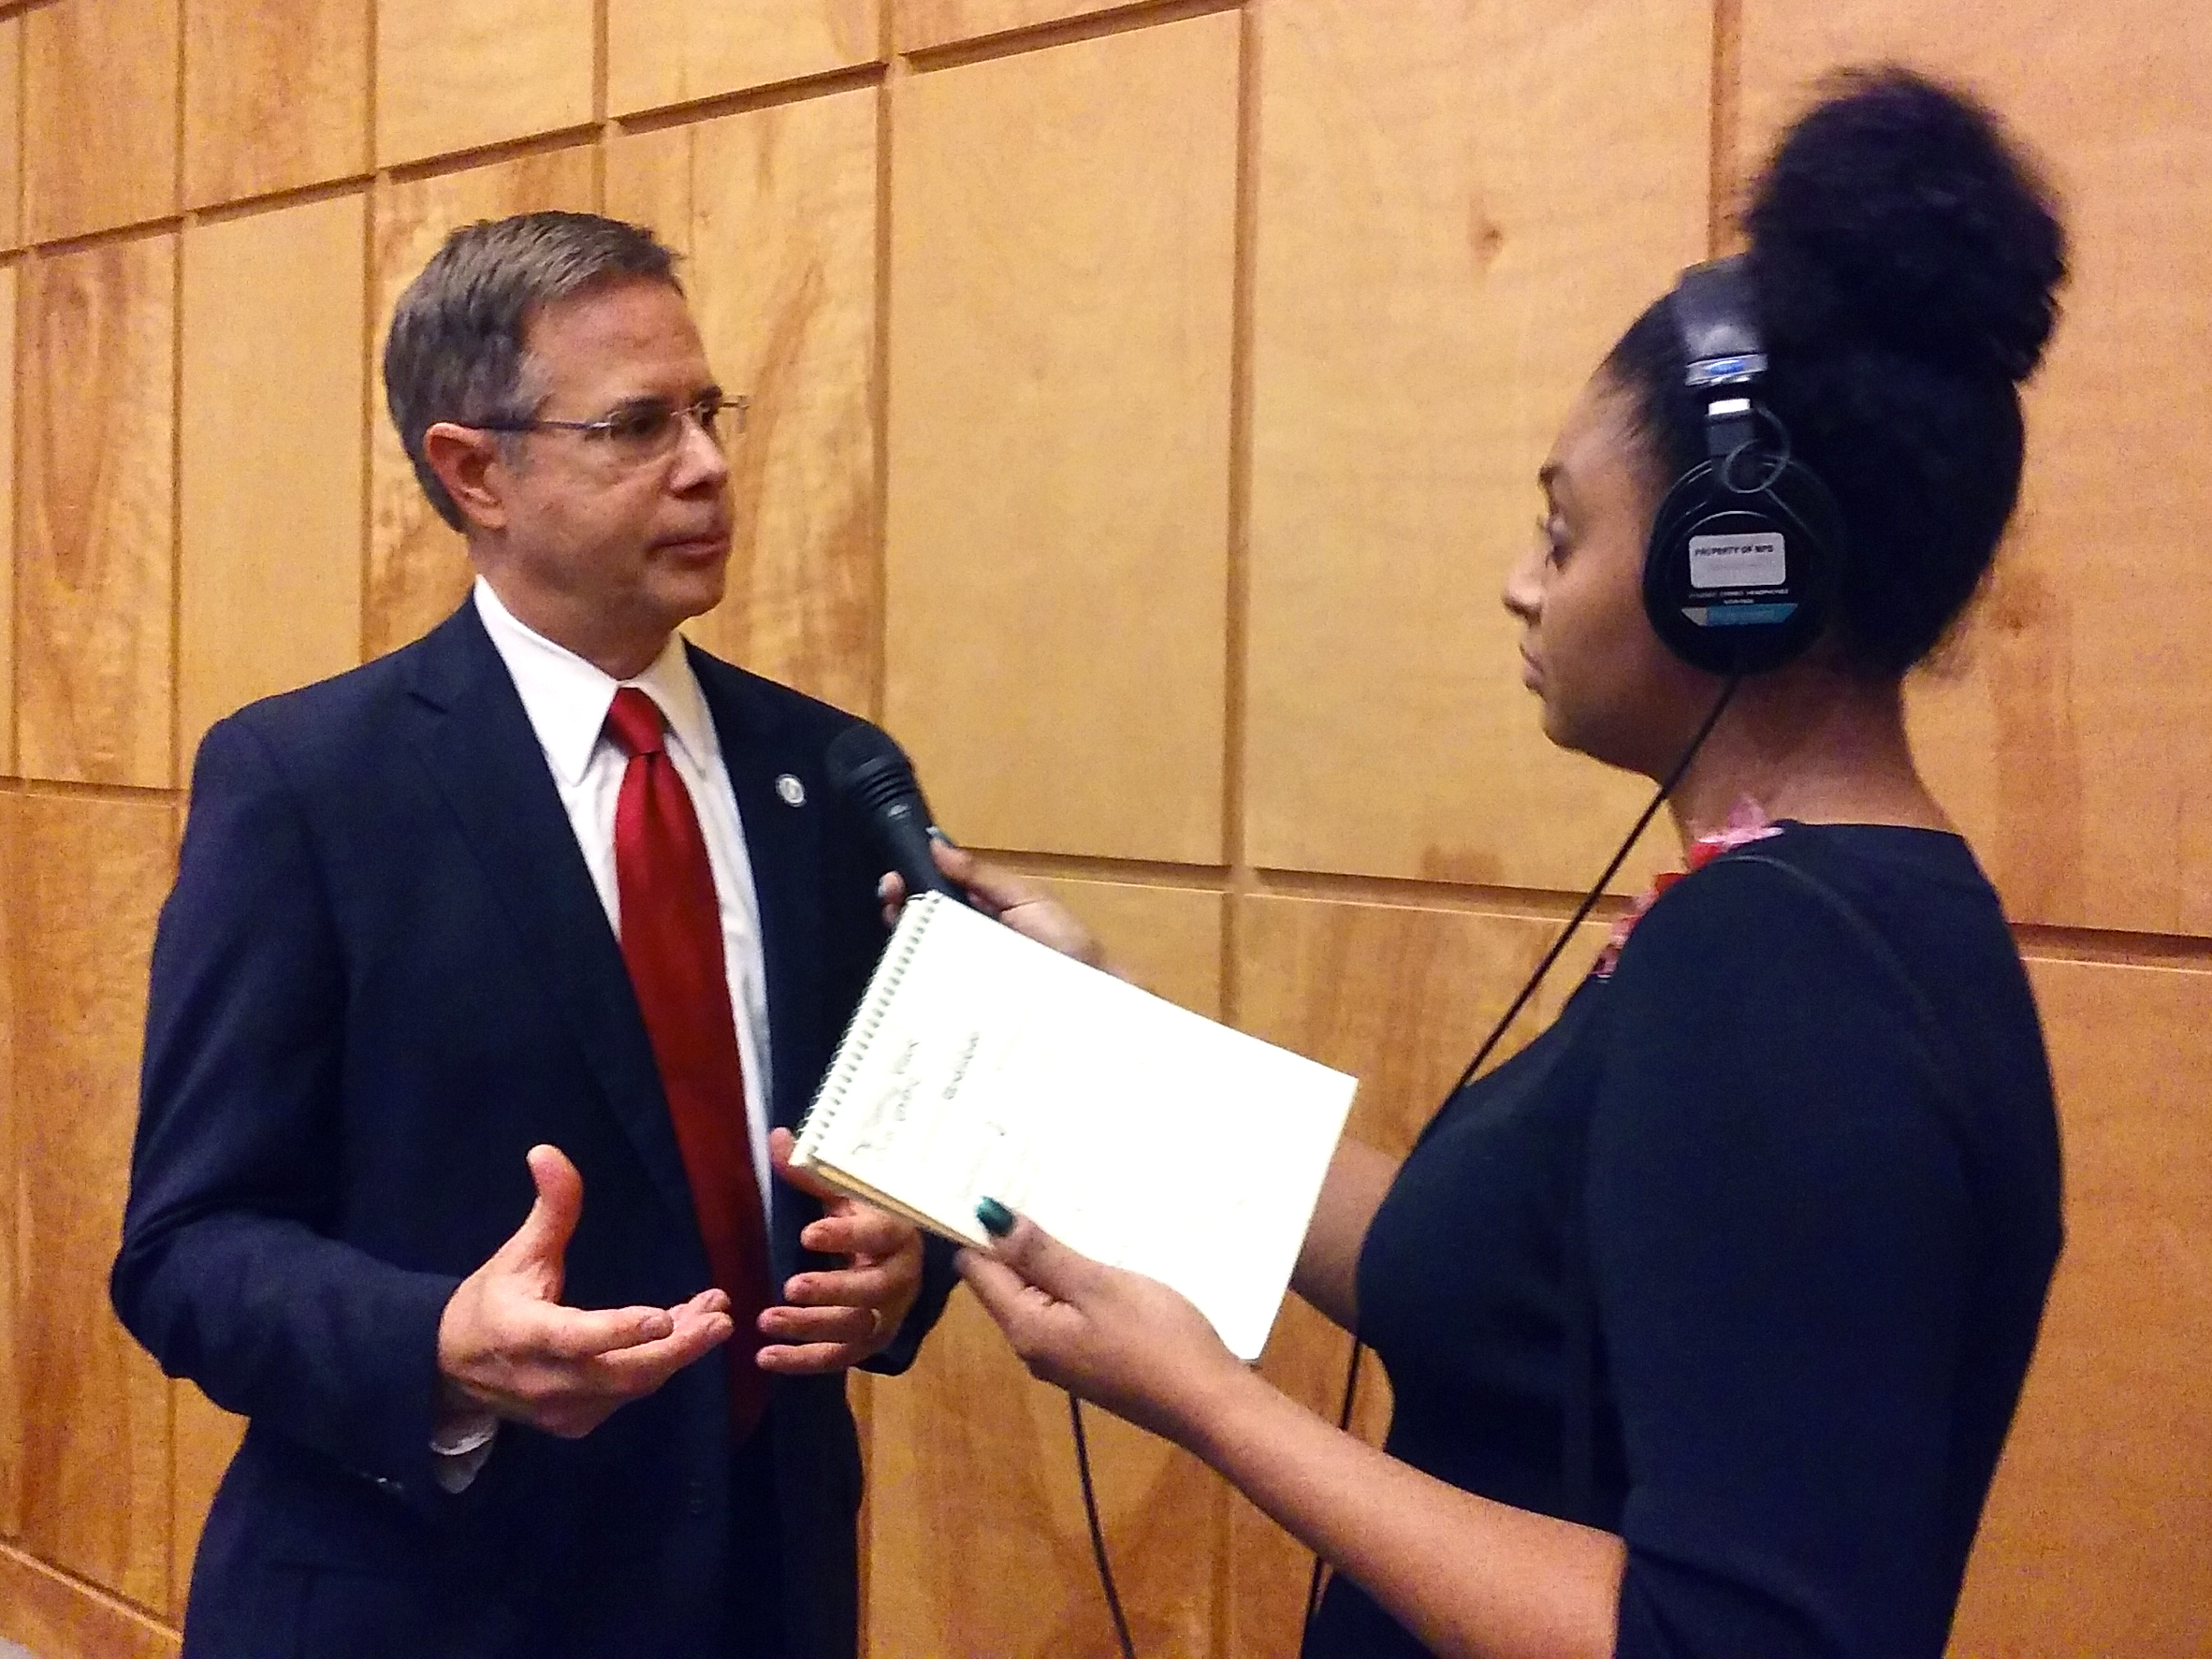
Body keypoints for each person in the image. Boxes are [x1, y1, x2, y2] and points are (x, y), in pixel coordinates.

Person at [927, 68, 2069, 1659]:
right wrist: (1093, 1024)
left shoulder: (1792, 974)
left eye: (1563, 529)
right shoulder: (1795, 912)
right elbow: (1458, 1271)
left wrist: (1206, 1402)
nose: (1522, 587)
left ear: (1732, 569)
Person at [110, 211, 954, 1659]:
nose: (705, 465)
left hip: (769, 1583)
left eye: (706, 411)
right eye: (636, 425)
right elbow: (184, 1250)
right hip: (433, 1597)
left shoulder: (828, 770)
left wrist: (901, 1266)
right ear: (474, 471)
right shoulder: (309, 784)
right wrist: (438, 1340)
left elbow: (897, 1158)